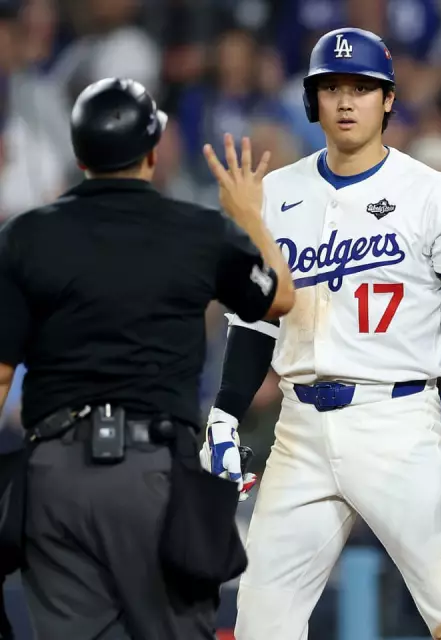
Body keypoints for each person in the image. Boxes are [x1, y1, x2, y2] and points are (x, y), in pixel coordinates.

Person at [201, 27, 441, 640]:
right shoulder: (274, 193)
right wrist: (224, 412)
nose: (347, 102)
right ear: (312, 101)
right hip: (299, 431)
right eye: (332, 88)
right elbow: (253, 320)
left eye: (362, 88)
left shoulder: (433, 195)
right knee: (261, 627)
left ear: (389, 100)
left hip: (397, 424)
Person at [0, 77, 294, 639]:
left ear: (80, 152)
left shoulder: (24, 237)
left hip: (56, 475)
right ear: (154, 152)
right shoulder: (199, 231)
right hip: (155, 475)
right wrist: (250, 214)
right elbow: (279, 297)